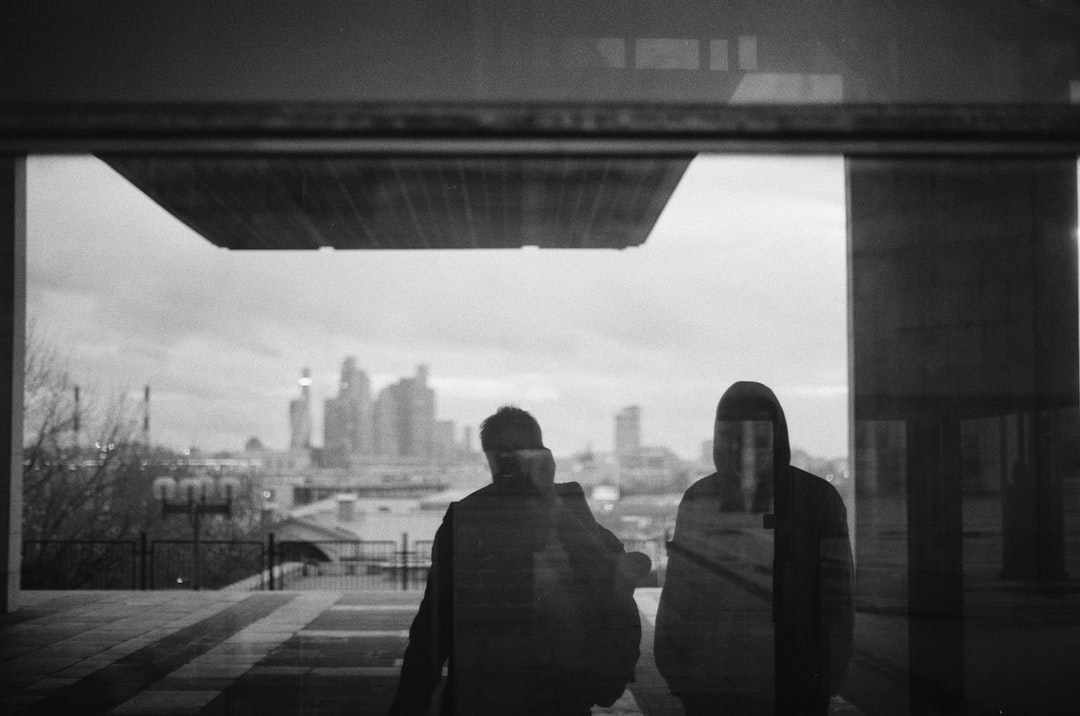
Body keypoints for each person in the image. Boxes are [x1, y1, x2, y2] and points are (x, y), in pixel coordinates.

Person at [388, 405, 641, 716]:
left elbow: (432, 627)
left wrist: (409, 704)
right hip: (553, 695)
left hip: (483, 694)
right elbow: (608, 581)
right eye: (502, 457)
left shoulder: (471, 517)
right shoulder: (478, 517)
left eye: (516, 455)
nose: (509, 467)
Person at [654, 382, 854, 716]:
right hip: (760, 681)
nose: (742, 451)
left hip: (761, 681)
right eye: (731, 438)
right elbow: (680, 594)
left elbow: (836, 601)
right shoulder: (816, 498)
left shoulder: (702, 499)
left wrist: (677, 669)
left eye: (757, 440)